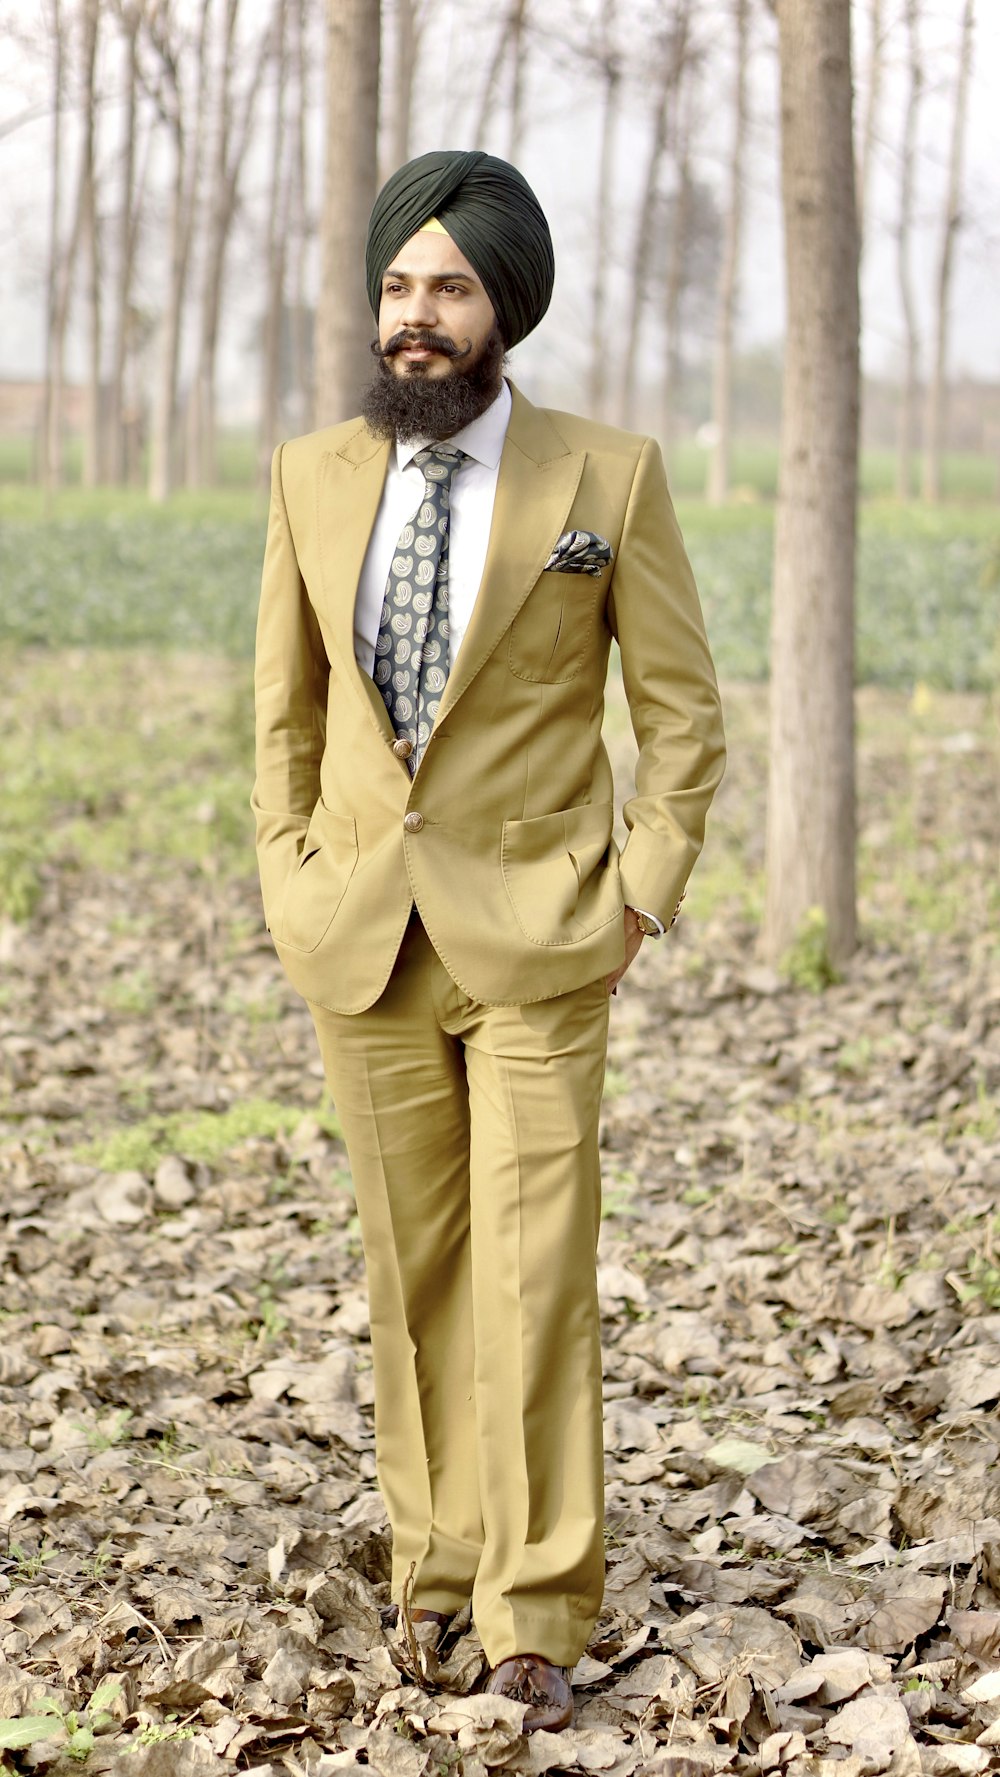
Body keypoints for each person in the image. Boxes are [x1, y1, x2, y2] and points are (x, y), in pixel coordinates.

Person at [252, 149, 725, 1734]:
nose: (416, 318)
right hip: (364, 935)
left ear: (502, 306)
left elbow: (681, 719)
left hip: (544, 935)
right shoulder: (313, 473)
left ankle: (538, 1601)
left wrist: (638, 898)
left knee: (537, 1272)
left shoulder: (609, 477)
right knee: (417, 1270)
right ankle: (435, 1565)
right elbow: (285, 710)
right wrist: (285, 866)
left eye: (448, 288)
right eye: (399, 286)